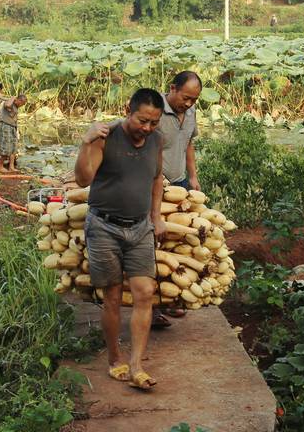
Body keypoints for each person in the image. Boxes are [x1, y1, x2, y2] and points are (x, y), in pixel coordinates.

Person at [74, 88, 166, 391]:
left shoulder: (156, 140)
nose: (147, 128)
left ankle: (137, 363)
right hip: (104, 227)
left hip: (140, 228)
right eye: (142, 121)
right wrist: (85, 143)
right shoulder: (106, 136)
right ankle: (115, 359)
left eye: (154, 122)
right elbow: (83, 179)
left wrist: (157, 216)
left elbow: (156, 179)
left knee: (144, 291)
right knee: (112, 296)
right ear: (129, 110)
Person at [151, 70, 202, 328]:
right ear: (172, 88)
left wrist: (193, 177)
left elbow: (188, 145)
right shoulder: (154, 111)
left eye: (194, 99)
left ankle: (171, 300)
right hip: (154, 185)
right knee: (154, 246)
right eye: (185, 97)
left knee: (176, 245)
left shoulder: (191, 113)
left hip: (179, 184)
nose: (189, 104)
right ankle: (152, 308)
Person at [0, 94, 26, 174]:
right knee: (6, 147)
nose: (21, 106)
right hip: (5, 126)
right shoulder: (9, 102)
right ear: (19, 100)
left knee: (13, 148)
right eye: (21, 103)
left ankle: (11, 167)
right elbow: (7, 105)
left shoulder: (16, 107)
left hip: (12, 127)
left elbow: (14, 117)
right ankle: (0, 166)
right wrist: (12, 97)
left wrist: (16, 129)